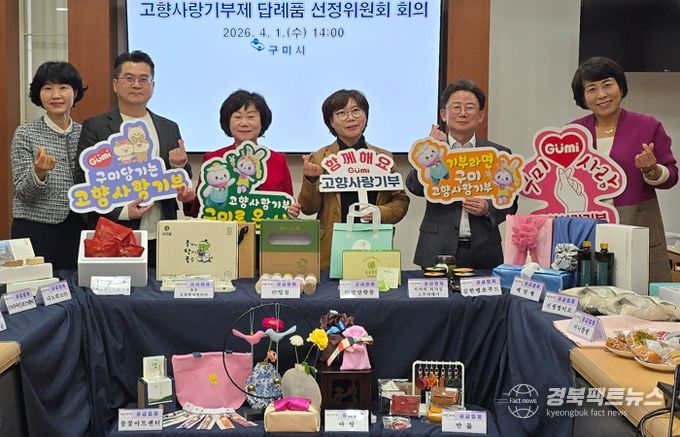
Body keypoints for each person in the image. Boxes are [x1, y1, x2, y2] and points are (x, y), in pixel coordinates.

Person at [75, 50, 195, 266]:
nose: (137, 85)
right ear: (115, 84)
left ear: (153, 85)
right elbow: (83, 180)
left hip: (163, 234)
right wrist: (122, 212)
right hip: (116, 235)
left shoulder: (169, 127)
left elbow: (182, 178)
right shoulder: (96, 126)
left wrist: (181, 167)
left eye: (144, 79)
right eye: (129, 78)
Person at [571, 56, 678, 282]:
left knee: (641, 290)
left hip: (637, 222)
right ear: (583, 97)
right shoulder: (573, 132)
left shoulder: (647, 125)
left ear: (620, 87)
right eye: (592, 89)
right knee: (588, 287)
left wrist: (652, 170)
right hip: (589, 226)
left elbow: (671, 175)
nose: (601, 94)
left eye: (607, 85)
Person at [289, 89, 409, 270]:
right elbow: (308, 208)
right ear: (331, 121)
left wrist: (380, 212)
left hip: (374, 241)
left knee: (373, 283)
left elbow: (401, 201)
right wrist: (311, 179)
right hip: (332, 244)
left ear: (366, 116)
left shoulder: (384, 158)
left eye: (356, 110)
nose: (350, 118)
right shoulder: (320, 157)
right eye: (341, 113)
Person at [406, 80, 518, 269]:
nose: (463, 113)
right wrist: (432, 146)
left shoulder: (498, 154)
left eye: (470, 107)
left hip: (484, 249)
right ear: (444, 114)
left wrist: (488, 208)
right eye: (456, 107)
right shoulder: (431, 149)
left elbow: (511, 203)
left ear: (481, 115)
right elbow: (414, 187)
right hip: (436, 246)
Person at [10, 61, 88, 269]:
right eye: (47, 88)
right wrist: (39, 173)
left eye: (63, 87)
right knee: (38, 287)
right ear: (39, 94)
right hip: (36, 229)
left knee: (77, 286)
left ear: (75, 92)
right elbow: (23, 192)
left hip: (79, 227)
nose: (56, 95)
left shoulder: (86, 133)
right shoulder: (25, 134)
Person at [185, 90, 293, 217]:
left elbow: (288, 203)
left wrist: (293, 210)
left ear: (262, 121)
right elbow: (199, 210)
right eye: (237, 117)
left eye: (251, 117)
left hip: (266, 229)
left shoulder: (277, 160)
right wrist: (189, 200)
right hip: (226, 228)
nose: (244, 123)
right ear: (227, 121)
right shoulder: (214, 159)